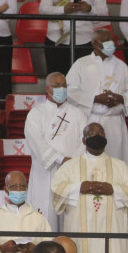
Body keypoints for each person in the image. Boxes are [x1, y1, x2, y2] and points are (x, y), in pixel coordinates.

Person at [52, 124, 128, 253]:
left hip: (112, 243)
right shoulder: (70, 166)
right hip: (80, 235)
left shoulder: (119, 166)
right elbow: (56, 188)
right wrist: (79, 187)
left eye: (101, 133)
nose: (97, 136)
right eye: (92, 133)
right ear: (83, 140)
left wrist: (113, 189)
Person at [22, 72, 87, 228]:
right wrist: (60, 159)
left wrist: (73, 162)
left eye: (64, 86)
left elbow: (85, 141)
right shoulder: (36, 113)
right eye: (57, 86)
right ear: (47, 89)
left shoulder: (78, 114)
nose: (61, 89)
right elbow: (36, 142)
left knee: (70, 217)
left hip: (71, 171)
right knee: (46, 214)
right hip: (45, 172)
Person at [67, 29, 128, 165]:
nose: (110, 43)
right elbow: (70, 90)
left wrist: (120, 98)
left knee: (115, 161)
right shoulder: (81, 64)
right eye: (106, 41)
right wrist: (95, 99)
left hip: (114, 122)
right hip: (89, 120)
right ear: (95, 43)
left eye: (111, 40)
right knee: (89, 163)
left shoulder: (121, 66)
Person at [40, 0, 109, 75]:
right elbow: (43, 9)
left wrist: (89, 8)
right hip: (56, 38)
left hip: (84, 39)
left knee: (84, 78)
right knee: (56, 78)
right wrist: (63, 10)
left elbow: (104, 12)